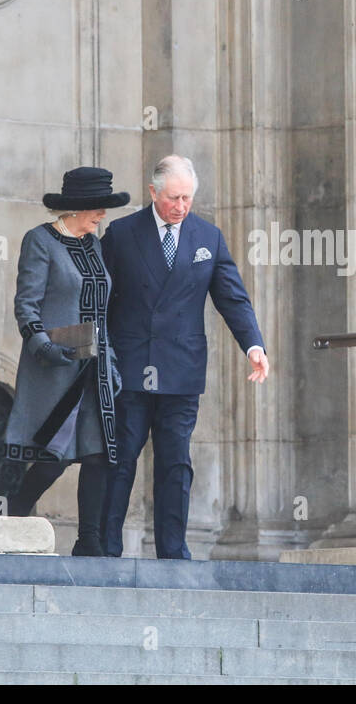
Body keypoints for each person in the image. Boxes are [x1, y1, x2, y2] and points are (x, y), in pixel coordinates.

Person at [100, 155, 269, 559]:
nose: (181, 206)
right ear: (153, 192)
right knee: (121, 459)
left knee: (176, 463)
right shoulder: (121, 234)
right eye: (173, 197)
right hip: (131, 369)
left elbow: (232, 297)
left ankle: (173, 553)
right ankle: (104, 548)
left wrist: (254, 345)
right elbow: (99, 302)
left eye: (188, 198)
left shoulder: (207, 237)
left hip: (181, 370)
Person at [2, 167, 129, 556]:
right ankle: (14, 515)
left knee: (98, 454)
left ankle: (88, 542)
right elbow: (26, 304)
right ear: (78, 207)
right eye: (98, 208)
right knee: (52, 457)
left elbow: (103, 309)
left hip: (95, 369)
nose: (102, 215)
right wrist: (44, 348)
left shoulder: (94, 245)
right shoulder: (40, 241)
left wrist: (112, 360)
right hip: (56, 369)